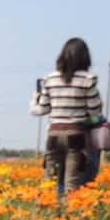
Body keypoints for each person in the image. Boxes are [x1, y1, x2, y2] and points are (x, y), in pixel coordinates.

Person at [30, 38, 103, 193]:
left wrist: (34, 99)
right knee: (72, 183)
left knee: (49, 181)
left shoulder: (50, 79)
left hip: (54, 134)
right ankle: (71, 215)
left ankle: (45, 213)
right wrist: (94, 117)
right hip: (76, 134)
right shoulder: (88, 79)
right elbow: (94, 112)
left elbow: (41, 109)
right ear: (85, 58)